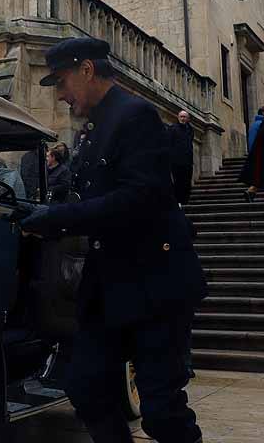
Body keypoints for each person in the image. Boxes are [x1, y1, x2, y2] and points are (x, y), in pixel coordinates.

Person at [19, 37, 206, 443]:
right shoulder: (93, 129)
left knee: (161, 411)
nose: (62, 95)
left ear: (87, 70)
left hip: (155, 281)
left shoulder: (134, 115)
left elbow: (141, 197)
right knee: (85, 386)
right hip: (111, 283)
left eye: (63, 82)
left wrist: (58, 218)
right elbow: (87, 197)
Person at [166, 110, 195, 206]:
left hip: (188, 162)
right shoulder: (172, 129)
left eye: (184, 117)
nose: (182, 118)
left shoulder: (190, 130)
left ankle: (185, 201)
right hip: (176, 161)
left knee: (187, 182)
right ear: (178, 117)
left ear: (188, 119)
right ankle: (177, 201)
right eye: (181, 116)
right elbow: (169, 144)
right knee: (177, 182)